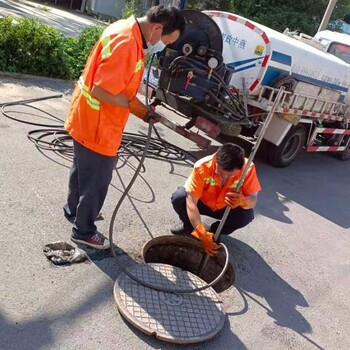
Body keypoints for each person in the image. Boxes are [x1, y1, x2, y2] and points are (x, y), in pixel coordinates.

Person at [63, 5, 186, 250]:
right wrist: (135, 106)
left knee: (82, 170)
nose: (162, 46)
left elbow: (118, 87)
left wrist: (141, 110)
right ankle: (84, 230)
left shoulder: (126, 31)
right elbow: (101, 89)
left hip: (87, 117)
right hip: (98, 124)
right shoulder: (126, 43)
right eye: (165, 40)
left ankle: (74, 210)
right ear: (157, 27)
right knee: (97, 180)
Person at [171, 143, 261, 255]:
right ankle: (190, 228)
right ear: (216, 160)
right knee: (179, 198)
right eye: (221, 172)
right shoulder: (202, 166)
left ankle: (215, 232)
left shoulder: (248, 169)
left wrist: (242, 201)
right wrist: (200, 233)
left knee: (246, 215)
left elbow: (253, 201)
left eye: (230, 175)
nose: (224, 177)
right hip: (202, 203)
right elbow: (191, 201)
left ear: (239, 168)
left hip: (225, 207)